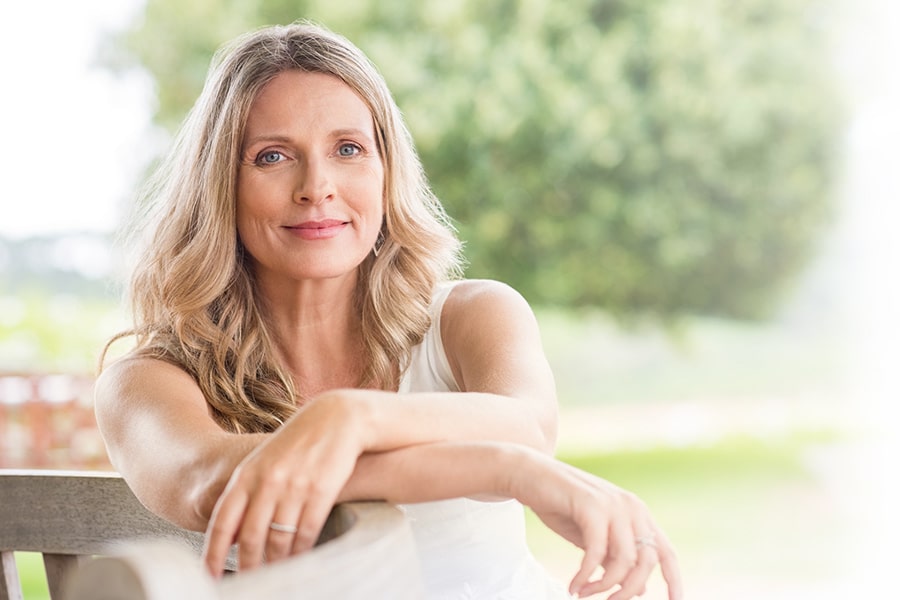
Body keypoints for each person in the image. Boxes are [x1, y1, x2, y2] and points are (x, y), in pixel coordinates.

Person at [95, 21, 682, 600]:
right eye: (273, 156)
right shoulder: (146, 379)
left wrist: (354, 419)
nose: (316, 186)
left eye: (348, 149)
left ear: (386, 170)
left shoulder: (473, 316)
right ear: (219, 183)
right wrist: (505, 471)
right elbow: (207, 480)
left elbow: (527, 426)